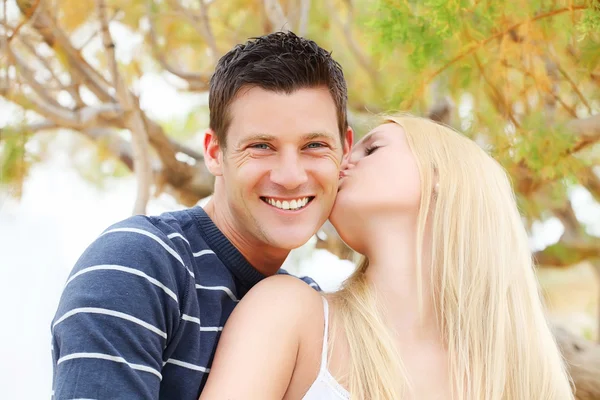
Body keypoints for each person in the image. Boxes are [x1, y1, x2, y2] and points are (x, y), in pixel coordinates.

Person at [50, 31, 353, 399]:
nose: (290, 176)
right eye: (261, 146)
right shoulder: (140, 263)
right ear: (213, 153)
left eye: (314, 145)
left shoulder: (308, 310)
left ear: (345, 151)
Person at [199, 115, 574, 400]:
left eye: (372, 148)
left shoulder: (523, 375)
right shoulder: (291, 313)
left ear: (440, 175)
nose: (339, 163)